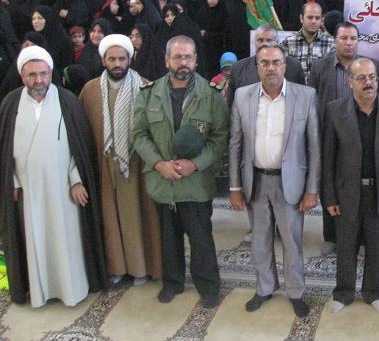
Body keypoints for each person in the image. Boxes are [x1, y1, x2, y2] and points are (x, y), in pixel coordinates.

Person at [0, 46, 107, 306]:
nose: (39, 80)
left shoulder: (67, 100)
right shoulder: (11, 103)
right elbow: (4, 149)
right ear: (22, 76)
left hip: (63, 190)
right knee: (34, 239)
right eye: (32, 75)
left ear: (50, 73)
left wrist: (76, 180)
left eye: (43, 74)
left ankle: (71, 290)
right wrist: (11, 181)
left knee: (64, 240)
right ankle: (40, 292)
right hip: (28, 191)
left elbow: (79, 147)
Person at [132, 35, 228, 308]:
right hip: (162, 181)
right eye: (177, 57)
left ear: (196, 60)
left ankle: (208, 286)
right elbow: (139, 135)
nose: (183, 62)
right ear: (167, 60)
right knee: (168, 238)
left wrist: (195, 164)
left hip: (195, 182)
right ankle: (172, 283)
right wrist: (158, 164)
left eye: (188, 57)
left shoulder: (211, 95)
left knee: (201, 238)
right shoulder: (149, 93)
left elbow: (220, 137)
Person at [228, 42, 320, 318]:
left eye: (276, 62)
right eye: (265, 63)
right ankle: (265, 288)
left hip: (290, 183)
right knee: (260, 241)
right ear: (257, 67)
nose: (271, 68)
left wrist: (312, 189)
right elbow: (235, 143)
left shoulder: (305, 96)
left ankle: (296, 291)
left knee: (292, 241)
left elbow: (314, 146)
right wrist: (235, 186)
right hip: (255, 180)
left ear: (285, 66)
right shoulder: (242, 96)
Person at [322, 58, 379, 314]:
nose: (367, 82)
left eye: (371, 77)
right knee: (346, 245)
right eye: (361, 78)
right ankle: (343, 293)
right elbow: (328, 157)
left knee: (376, 245)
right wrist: (329, 197)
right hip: (347, 191)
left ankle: (373, 292)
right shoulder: (335, 110)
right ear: (350, 82)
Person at [79, 35, 162, 286]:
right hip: (104, 164)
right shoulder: (90, 90)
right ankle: (116, 267)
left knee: (137, 216)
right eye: (112, 59)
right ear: (103, 60)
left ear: (130, 59)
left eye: (122, 58)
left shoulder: (146, 87)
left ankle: (140, 268)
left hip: (137, 165)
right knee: (109, 218)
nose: (117, 64)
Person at [308, 21, 379, 256]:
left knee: (359, 190)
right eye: (343, 38)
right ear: (335, 40)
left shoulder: (372, 66)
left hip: (362, 136)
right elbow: (312, 103)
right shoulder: (320, 67)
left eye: (353, 38)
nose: (349, 43)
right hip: (329, 136)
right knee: (330, 184)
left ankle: (361, 239)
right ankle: (331, 236)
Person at [228, 24, 305, 105]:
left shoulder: (294, 67)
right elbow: (231, 106)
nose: (264, 44)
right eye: (260, 40)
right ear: (255, 42)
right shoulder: (238, 69)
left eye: (269, 41)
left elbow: (302, 101)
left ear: (278, 42)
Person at [282, 2, 334, 80]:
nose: (314, 21)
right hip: (295, 87)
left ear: (321, 20)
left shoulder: (331, 44)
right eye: (310, 17)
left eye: (317, 18)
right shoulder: (287, 43)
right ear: (301, 18)